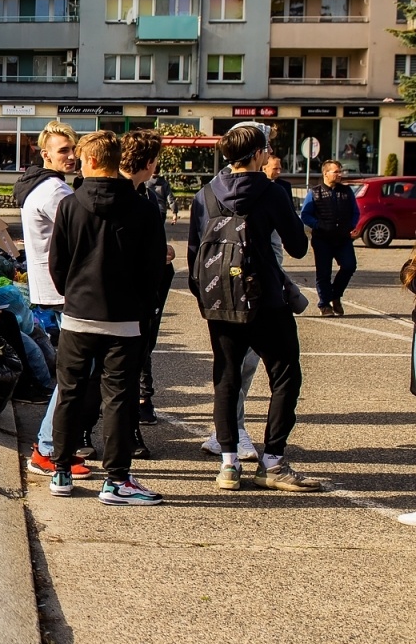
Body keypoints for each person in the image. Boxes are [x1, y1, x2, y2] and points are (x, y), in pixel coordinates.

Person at [188, 124, 319, 492]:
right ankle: (273, 461)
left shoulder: (206, 194)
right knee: (285, 375)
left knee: (226, 379)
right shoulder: (272, 192)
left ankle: (228, 465)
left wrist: (206, 299)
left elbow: (195, 254)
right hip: (265, 299)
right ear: (259, 153)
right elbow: (296, 246)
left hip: (220, 299)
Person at [46, 131, 166, 504]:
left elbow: (58, 263)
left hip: (78, 314)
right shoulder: (144, 208)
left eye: (81, 158)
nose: (78, 164)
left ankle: (62, 471)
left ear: (93, 161)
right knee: (118, 397)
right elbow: (153, 267)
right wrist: (143, 307)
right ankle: (116, 480)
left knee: (70, 392)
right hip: (125, 318)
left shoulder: (70, 205)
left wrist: (73, 294)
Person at [16, 121, 91, 478]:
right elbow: (85, 235)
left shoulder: (40, 187)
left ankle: (53, 444)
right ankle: (48, 447)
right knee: (76, 372)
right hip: (66, 289)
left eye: (74, 149)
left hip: (54, 288)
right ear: (46, 155)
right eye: (64, 151)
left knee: (75, 371)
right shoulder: (55, 192)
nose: (72, 156)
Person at [120, 130, 176, 441]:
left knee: (142, 350)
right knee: (117, 364)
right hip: (122, 294)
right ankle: (95, 437)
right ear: (151, 162)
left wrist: (162, 252)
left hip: (147, 290)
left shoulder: (148, 195)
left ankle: (140, 409)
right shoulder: (115, 194)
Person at [300, 159, 359, 316]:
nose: (339, 174)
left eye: (340, 171)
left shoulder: (346, 192)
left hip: (343, 239)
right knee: (324, 273)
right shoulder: (315, 193)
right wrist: (318, 225)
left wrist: (351, 226)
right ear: (325, 173)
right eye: (336, 171)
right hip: (323, 239)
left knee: (349, 266)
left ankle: (336, 295)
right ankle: (325, 304)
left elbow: (355, 212)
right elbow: (305, 215)